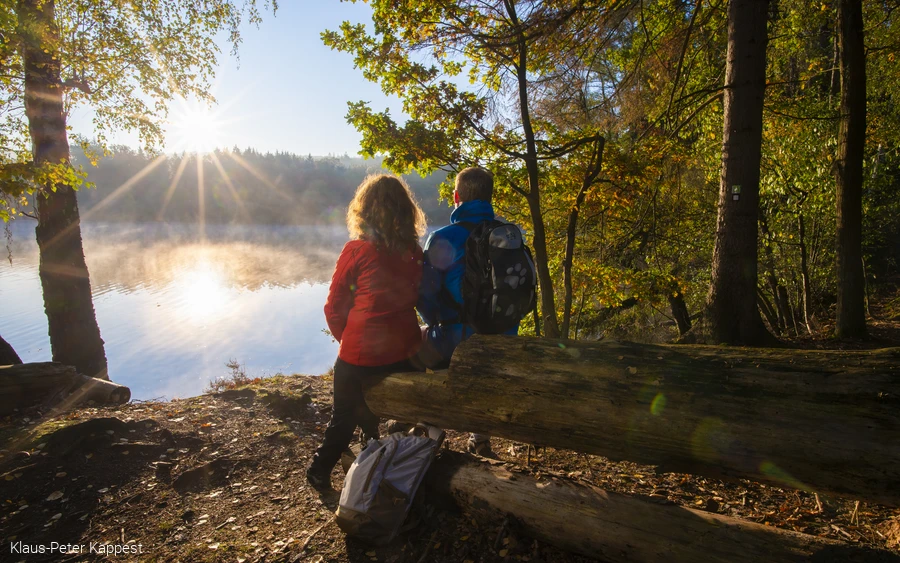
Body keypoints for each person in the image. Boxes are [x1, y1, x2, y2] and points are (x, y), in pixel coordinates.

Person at [306, 174, 426, 490]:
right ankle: (376, 449)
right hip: (404, 352)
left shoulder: (357, 250)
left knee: (343, 418)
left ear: (366, 211)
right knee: (396, 407)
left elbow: (334, 308)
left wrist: (350, 341)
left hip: (362, 355)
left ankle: (318, 472)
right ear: (406, 212)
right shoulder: (414, 252)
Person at [415, 166, 519, 459]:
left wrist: (437, 323)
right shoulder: (510, 235)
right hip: (504, 340)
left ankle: (429, 427)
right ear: (490, 197)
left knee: (414, 342)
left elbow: (425, 298)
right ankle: (480, 439)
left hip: (458, 342)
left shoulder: (444, 238)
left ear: (456, 197)